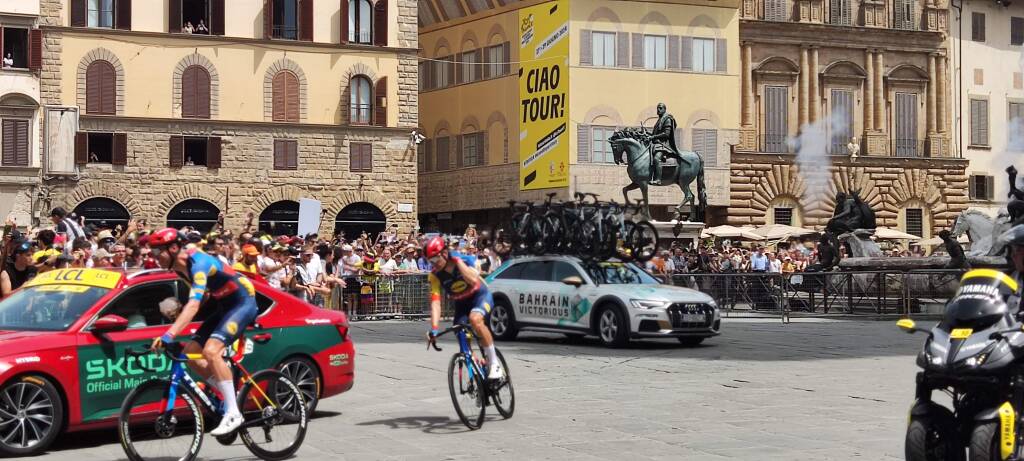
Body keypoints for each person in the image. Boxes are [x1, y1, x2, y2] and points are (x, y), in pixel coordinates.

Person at [148, 227, 258, 436]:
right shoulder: (179, 268)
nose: (154, 258)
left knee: (211, 351)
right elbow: (204, 297)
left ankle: (233, 413)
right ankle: (227, 394)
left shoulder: (198, 264)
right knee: (189, 355)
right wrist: (179, 311)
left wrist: (169, 334)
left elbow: (194, 305)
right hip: (224, 306)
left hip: (243, 302)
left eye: (156, 252)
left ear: (173, 248)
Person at [424, 236, 503, 380]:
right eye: (430, 261)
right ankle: (478, 377)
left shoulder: (465, 259)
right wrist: (434, 329)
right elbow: (435, 303)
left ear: (444, 253)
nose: (433, 264)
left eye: (435, 260)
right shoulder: (435, 275)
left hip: (480, 296)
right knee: (462, 340)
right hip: (461, 304)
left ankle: (494, 363)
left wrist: (458, 262)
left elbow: (473, 280)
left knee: (475, 319)